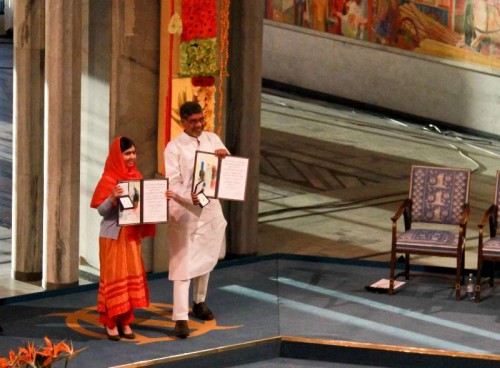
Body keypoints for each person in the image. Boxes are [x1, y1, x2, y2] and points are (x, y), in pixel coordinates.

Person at [91, 136, 170, 341]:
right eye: (127, 153)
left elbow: (142, 207)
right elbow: (101, 211)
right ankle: (110, 322)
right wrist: (111, 198)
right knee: (114, 280)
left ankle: (125, 320)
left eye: (134, 152)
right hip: (113, 237)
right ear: (118, 155)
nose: (132, 157)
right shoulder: (108, 179)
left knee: (127, 280)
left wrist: (161, 199)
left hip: (132, 237)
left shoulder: (136, 177)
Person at [163, 101, 229, 339]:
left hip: (210, 209)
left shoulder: (212, 139)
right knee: (183, 265)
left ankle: (199, 302)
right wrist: (187, 197)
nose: (199, 125)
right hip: (185, 212)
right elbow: (172, 182)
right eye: (194, 121)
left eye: (202, 120)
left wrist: (224, 157)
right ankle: (180, 318)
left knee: (207, 256)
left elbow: (228, 170)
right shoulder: (174, 147)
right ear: (183, 122)